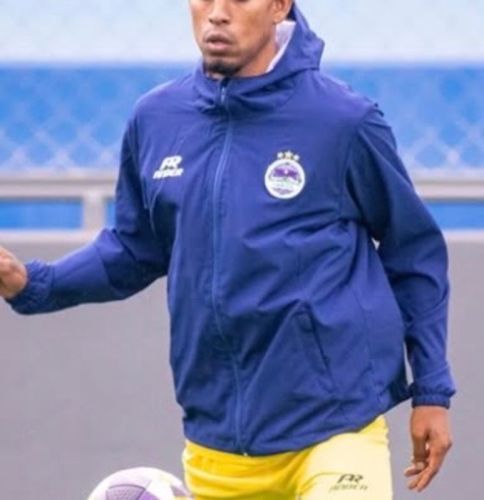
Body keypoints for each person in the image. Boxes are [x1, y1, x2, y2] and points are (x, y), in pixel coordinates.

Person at [0, 1, 455, 498]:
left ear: (279, 6)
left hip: (335, 430)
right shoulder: (156, 118)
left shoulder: (343, 120)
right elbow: (134, 248)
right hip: (217, 447)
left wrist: (431, 391)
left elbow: (414, 253)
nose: (217, 13)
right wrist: (34, 284)